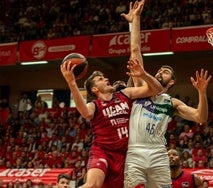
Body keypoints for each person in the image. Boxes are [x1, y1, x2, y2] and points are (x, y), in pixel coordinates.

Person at [60, 5, 162, 187]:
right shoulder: (95, 106)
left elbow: (155, 89)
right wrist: (71, 82)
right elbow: (84, 112)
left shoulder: (125, 94)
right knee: (92, 185)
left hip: (127, 154)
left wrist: (143, 74)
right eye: (100, 79)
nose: (106, 78)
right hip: (103, 151)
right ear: (94, 90)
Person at [121, 0, 211, 187]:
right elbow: (136, 49)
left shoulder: (171, 102)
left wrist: (202, 93)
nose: (161, 71)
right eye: (160, 70)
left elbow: (200, 117)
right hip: (135, 150)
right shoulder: (141, 88)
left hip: (158, 153)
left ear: (171, 82)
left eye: (166, 71)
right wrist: (135, 20)